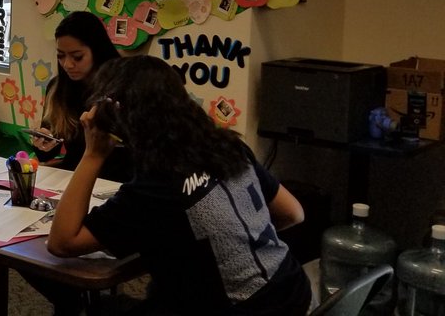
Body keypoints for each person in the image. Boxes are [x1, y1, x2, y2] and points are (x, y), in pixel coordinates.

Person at [48, 56, 310, 315]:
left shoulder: (157, 184)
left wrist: (92, 154)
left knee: (99, 308)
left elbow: (62, 242)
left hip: (239, 310)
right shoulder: (230, 146)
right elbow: (293, 213)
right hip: (292, 292)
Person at [31, 10, 132, 182]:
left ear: (97, 50)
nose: (67, 64)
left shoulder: (124, 85)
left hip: (117, 182)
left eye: (77, 57)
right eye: (60, 56)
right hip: (73, 179)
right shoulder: (58, 88)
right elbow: (49, 152)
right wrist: (43, 142)